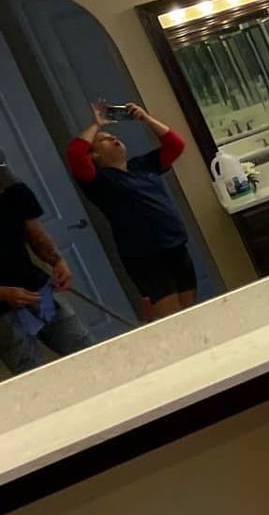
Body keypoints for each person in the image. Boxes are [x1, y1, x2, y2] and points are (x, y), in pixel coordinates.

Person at [68, 103, 198, 320]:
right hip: (144, 255)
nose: (112, 138)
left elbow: (175, 145)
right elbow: (74, 152)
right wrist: (97, 124)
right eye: (103, 140)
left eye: (112, 136)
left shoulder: (143, 165)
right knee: (172, 317)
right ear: (94, 156)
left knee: (190, 309)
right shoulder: (99, 181)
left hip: (174, 244)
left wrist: (145, 118)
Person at [0, 165, 93, 375]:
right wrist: (4, 292)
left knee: (83, 348)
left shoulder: (10, 184)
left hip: (36, 288)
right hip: (3, 311)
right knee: (30, 371)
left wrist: (57, 261)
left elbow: (34, 232)